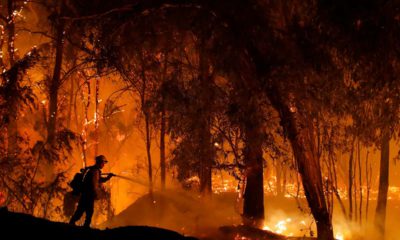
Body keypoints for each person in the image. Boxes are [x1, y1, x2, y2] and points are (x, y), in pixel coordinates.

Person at [69, 155, 115, 227]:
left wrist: (108, 177)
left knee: (82, 210)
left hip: (85, 194)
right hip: (88, 195)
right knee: (88, 211)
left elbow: (99, 180)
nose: (103, 165)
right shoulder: (95, 171)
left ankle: (73, 222)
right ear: (100, 162)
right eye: (103, 163)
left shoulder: (93, 170)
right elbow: (94, 184)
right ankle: (83, 225)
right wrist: (97, 194)